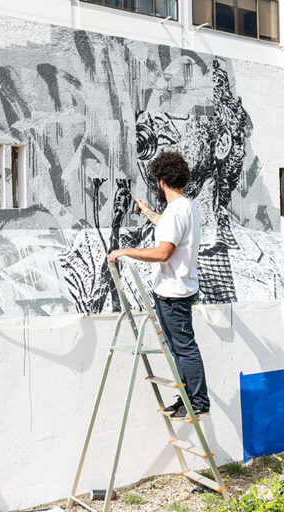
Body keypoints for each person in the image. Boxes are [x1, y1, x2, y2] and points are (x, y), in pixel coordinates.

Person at [108, 151, 209, 420]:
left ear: (161, 180)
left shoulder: (177, 211)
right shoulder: (185, 207)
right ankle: (188, 398)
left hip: (173, 294)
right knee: (178, 349)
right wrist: (145, 211)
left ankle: (199, 402)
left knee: (184, 347)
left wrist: (126, 251)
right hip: (174, 291)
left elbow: (164, 252)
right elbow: (166, 225)